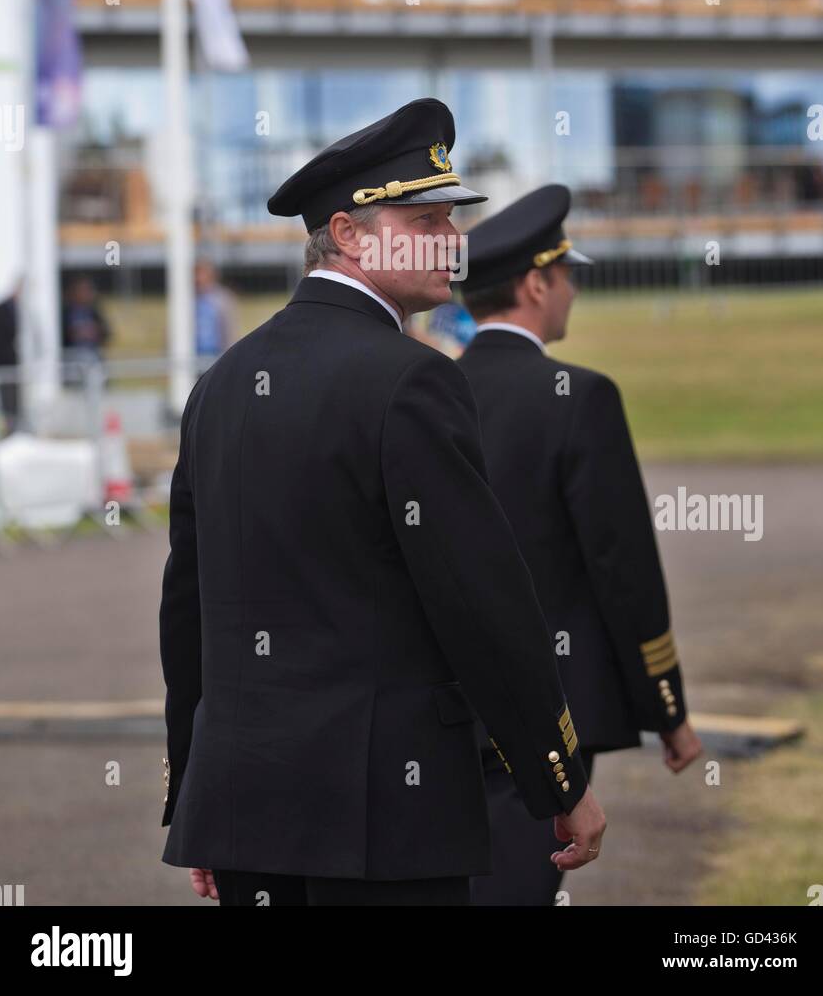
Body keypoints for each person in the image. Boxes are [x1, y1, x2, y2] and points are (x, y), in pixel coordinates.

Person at [159, 101, 606, 907]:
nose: (453, 241)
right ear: (350, 233)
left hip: (246, 813)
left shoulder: (220, 385)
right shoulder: (412, 379)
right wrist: (560, 777)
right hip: (381, 823)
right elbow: (482, 602)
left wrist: (200, 799)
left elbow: (190, 614)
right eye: (427, 220)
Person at [458, 184, 701, 907]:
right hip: (549, 713)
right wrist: (667, 707)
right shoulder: (582, 397)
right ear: (537, 284)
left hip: (440, 707)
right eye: (567, 274)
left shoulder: (429, 390)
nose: (572, 291)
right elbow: (622, 568)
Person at [60, 275, 110, 383]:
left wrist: (95, 331)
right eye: (82, 290)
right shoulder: (65, 313)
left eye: (87, 290)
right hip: (71, 357)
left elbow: (107, 332)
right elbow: (62, 336)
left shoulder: (94, 312)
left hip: (93, 356)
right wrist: (75, 333)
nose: (86, 293)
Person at [0, 280, 21, 430]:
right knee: (5, 405)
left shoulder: (16, 309)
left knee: (12, 405)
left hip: (12, 366)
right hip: (5, 365)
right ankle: (7, 430)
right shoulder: (1, 310)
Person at [193, 259, 238, 358]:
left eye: (201, 274)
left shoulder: (222, 298)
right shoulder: (187, 299)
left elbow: (229, 329)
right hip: (193, 354)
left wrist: (230, 354)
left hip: (216, 353)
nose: (198, 278)